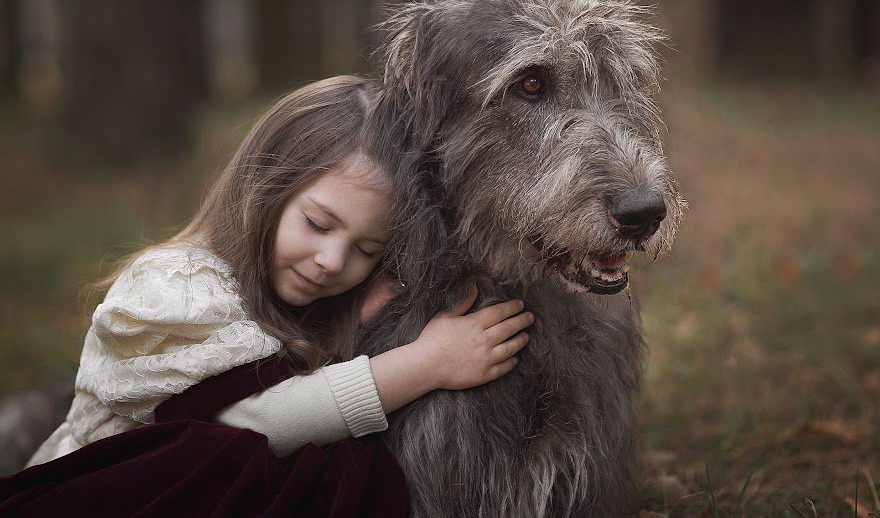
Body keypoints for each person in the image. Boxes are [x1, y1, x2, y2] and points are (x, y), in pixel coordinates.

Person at [1, 75, 532, 516]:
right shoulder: (177, 290)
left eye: (367, 250)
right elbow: (251, 425)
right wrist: (424, 363)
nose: (332, 261)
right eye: (318, 223)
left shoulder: (308, 292)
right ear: (265, 185)